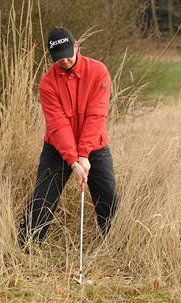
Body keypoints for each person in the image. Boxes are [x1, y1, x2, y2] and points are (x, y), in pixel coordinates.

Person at [18, 27, 118, 248]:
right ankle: (26, 250)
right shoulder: (48, 82)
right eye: (58, 57)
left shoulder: (98, 72)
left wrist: (84, 154)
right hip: (57, 148)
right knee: (42, 199)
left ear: (77, 46)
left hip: (95, 146)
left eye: (67, 54)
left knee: (108, 199)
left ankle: (116, 249)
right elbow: (57, 125)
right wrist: (74, 162)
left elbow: (96, 115)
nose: (63, 61)